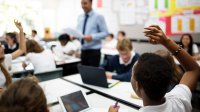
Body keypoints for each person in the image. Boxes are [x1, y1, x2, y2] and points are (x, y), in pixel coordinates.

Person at [109, 25, 200, 112]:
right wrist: (166, 41)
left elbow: (192, 70)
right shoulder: (179, 102)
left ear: (137, 85)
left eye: (132, 75)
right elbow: (193, 69)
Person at [77, 0, 108, 67]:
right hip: (83, 50)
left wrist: (92, 37)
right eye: (82, 3)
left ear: (91, 3)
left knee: (93, 75)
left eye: (85, 3)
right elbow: (79, 32)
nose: (83, 6)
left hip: (94, 51)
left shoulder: (98, 17)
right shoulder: (80, 17)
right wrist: (74, 35)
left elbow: (105, 33)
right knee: (84, 73)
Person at [0, 20, 26, 88]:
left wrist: (21, 30)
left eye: (1, 46)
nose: (3, 48)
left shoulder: (4, 59)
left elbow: (22, 49)